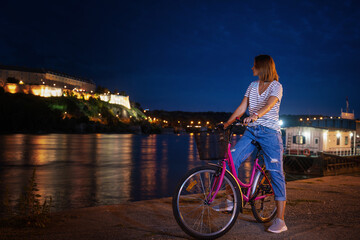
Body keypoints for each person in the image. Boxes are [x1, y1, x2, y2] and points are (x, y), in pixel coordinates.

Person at [223, 55, 287, 233]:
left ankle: (280, 220)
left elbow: (269, 104)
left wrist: (255, 115)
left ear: (262, 67)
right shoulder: (252, 86)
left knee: (276, 174)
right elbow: (242, 107)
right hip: (251, 131)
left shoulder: (276, 86)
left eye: (254, 66)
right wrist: (227, 123)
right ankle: (231, 200)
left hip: (270, 134)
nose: (252, 68)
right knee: (230, 160)